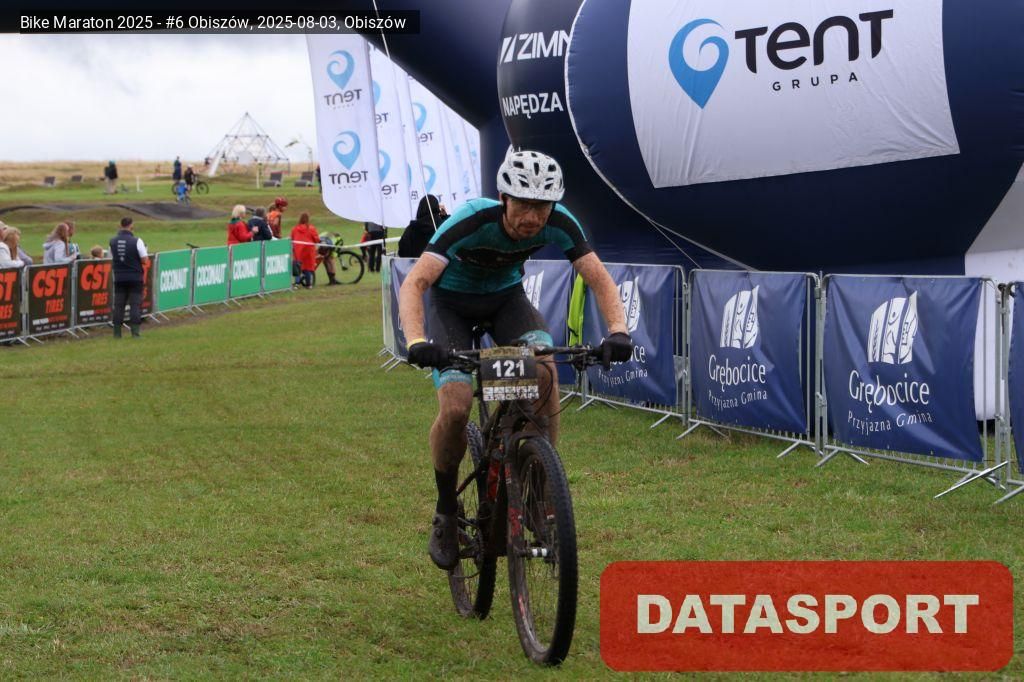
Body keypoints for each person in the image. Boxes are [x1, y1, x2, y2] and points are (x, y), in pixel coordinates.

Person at [398, 149, 634, 570]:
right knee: (456, 406)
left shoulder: (561, 222)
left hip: (507, 300)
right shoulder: (472, 220)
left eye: (542, 207)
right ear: (503, 199)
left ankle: (542, 492)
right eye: (523, 205)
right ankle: (446, 511)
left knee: (544, 368)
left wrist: (618, 331)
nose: (532, 217)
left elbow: (599, 279)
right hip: (451, 306)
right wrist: (416, 341)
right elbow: (415, 283)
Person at [109, 216, 149, 338]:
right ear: (131, 226)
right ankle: (135, 333)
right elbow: (145, 260)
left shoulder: (112, 241)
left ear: (120, 225)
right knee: (135, 305)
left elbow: (111, 257)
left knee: (118, 306)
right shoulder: (137, 241)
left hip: (119, 277)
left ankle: (117, 334)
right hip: (135, 277)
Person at [290, 213, 319, 288]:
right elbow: (316, 239)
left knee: (297, 267)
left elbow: (292, 239)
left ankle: (296, 283)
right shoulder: (311, 228)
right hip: (309, 251)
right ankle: (309, 284)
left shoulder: (295, 229)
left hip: (298, 250)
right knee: (308, 267)